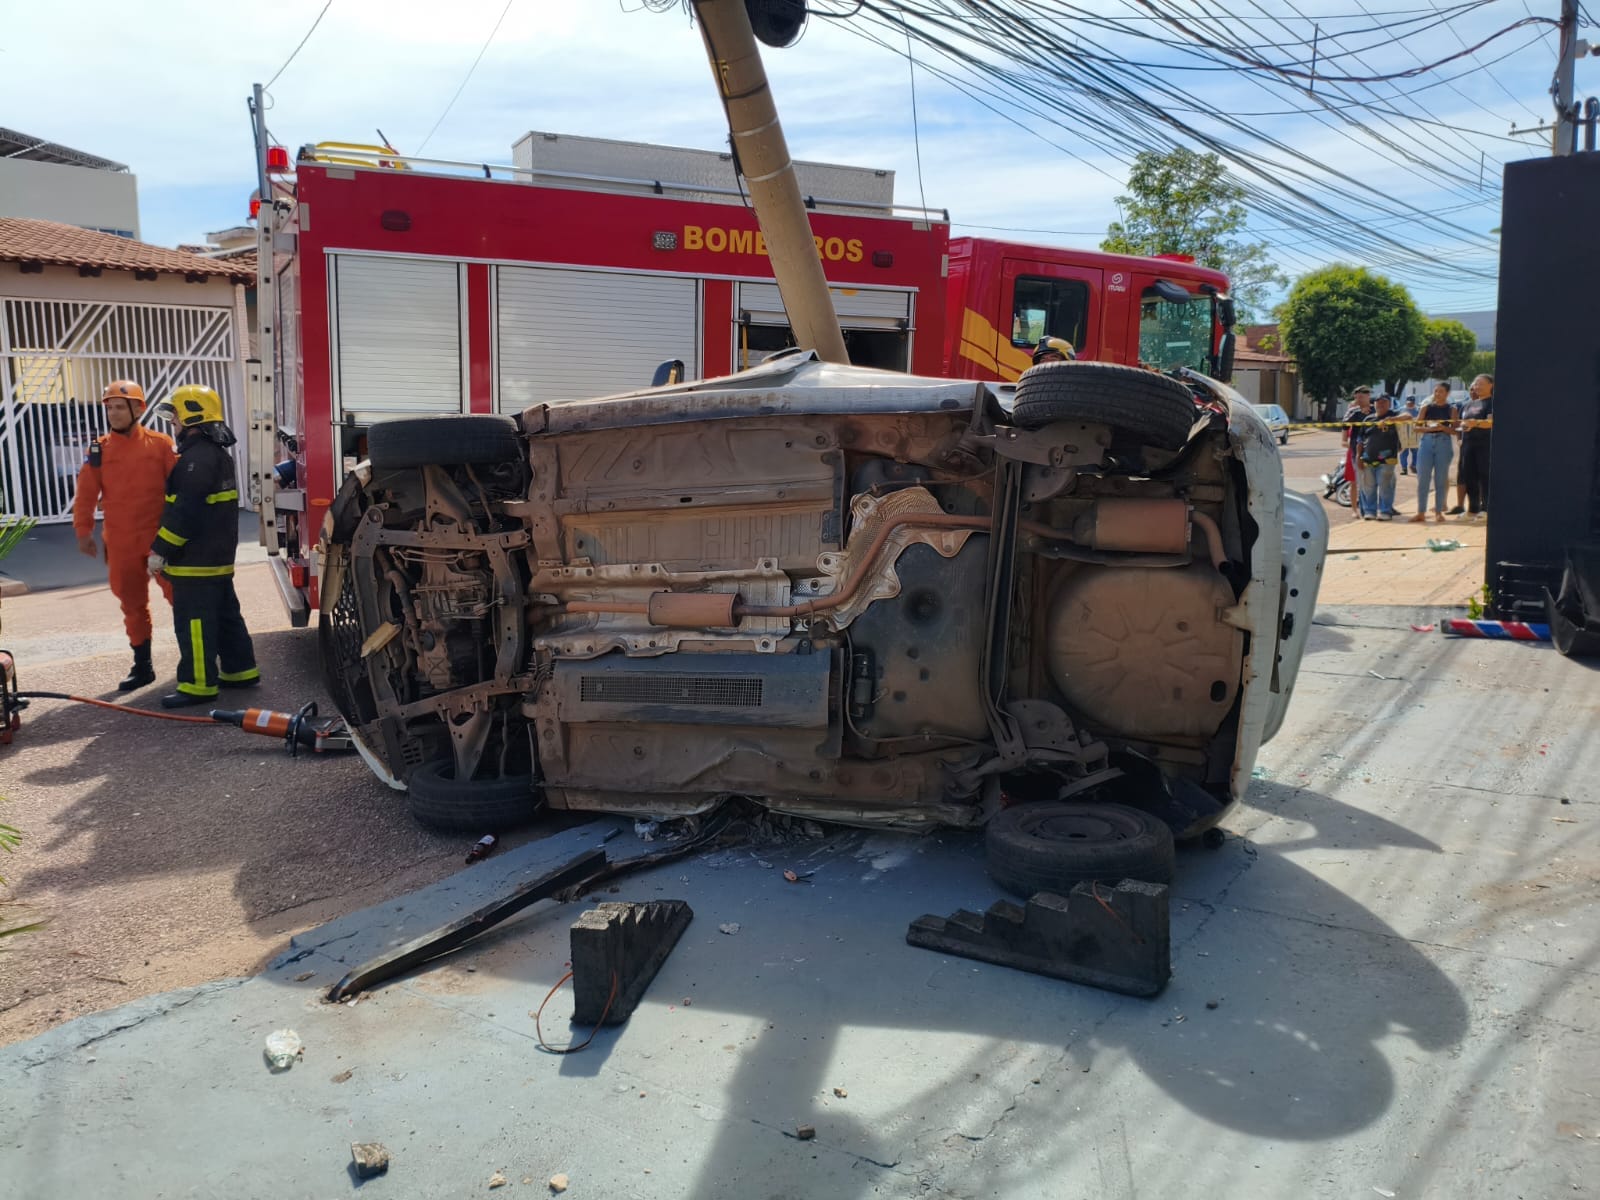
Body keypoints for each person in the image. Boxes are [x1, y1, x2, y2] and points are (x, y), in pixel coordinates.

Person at [147, 385, 260, 708]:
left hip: (196, 561)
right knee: (226, 616)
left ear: (193, 416)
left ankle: (197, 684)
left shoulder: (195, 460)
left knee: (194, 622)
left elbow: (186, 510)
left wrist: (161, 550)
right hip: (217, 559)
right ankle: (241, 670)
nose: (174, 424)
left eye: (177, 417)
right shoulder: (216, 456)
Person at [72, 380, 178, 691]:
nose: (113, 413)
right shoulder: (99, 451)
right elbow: (86, 495)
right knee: (131, 605)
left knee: (180, 597)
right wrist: (83, 531)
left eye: (120, 407)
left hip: (160, 539)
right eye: (109, 408)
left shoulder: (161, 445)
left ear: (138, 409)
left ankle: (196, 658)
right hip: (120, 543)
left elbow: (181, 490)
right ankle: (142, 665)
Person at [1407, 382, 1457, 523]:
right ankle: (1421, 512)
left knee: (1440, 479)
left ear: (1447, 393)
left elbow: (1455, 430)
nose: (1437, 394)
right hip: (1427, 442)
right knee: (1423, 478)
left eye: (1441, 391)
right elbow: (1416, 428)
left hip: (1443, 442)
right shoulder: (1426, 408)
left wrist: (1442, 427)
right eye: (1435, 391)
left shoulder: (1451, 409)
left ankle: (1439, 512)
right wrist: (1429, 429)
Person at [1452, 373, 1494, 520]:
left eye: (1481, 383)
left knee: (1484, 476)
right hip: (1468, 445)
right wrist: (1464, 427)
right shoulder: (1467, 405)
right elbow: (1462, 422)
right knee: (1469, 476)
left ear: (1491, 385)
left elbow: (1491, 422)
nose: (1477, 387)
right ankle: (1472, 509)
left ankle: (1486, 509)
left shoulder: (1492, 402)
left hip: (1485, 445)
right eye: (1475, 384)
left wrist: (1475, 423)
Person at [1358, 392, 1401, 520]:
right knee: (1368, 487)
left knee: (1385, 486)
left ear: (1389, 403)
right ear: (1374, 403)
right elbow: (1360, 440)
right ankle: (1370, 511)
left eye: (1384, 402)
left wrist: (1391, 420)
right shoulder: (1368, 419)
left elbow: (1409, 417)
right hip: (1367, 459)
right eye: (1378, 401)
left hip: (1387, 460)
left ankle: (1385, 511)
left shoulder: (1394, 415)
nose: (1381, 404)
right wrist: (1358, 457)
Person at [1341, 386, 1374, 519]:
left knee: (1371, 481)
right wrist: (1355, 412)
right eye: (1356, 397)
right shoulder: (1352, 412)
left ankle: (1370, 508)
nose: (1358, 400)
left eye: (1361, 397)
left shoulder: (1375, 410)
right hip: (1355, 451)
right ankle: (1355, 509)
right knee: (1355, 482)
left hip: (1372, 450)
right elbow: (1344, 427)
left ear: (1368, 396)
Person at [1396, 394, 1420, 475]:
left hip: (1415, 435)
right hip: (1403, 435)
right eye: (1409, 402)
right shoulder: (1400, 410)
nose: (1410, 404)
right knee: (1403, 452)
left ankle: (1414, 465)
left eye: (1412, 403)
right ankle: (1404, 468)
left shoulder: (1418, 410)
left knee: (1416, 452)